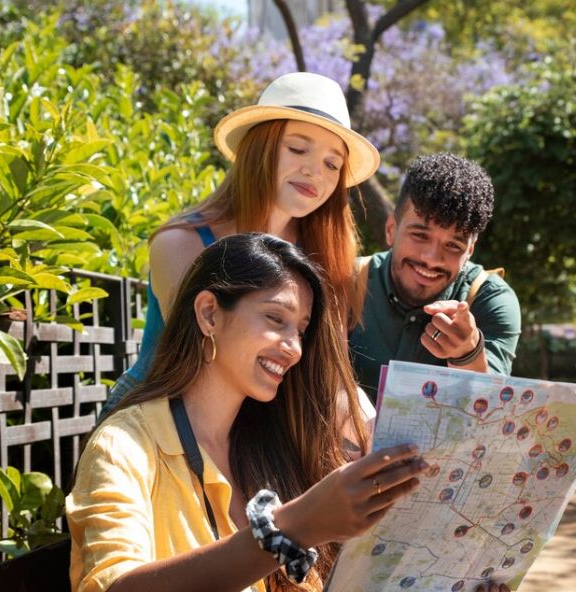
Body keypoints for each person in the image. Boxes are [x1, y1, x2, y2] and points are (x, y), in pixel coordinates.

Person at [67, 234, 425, 592]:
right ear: (209, 313)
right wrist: (290, 529)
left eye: (300, 330)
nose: (294, 348)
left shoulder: (274, 449)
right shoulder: (122, 446)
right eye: (275, 318)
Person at [101, 72, 380, 417]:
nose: (315, 172)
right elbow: (209, 370)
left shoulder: (323, 261)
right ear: (258, 148)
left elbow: (331, 377)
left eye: (332, 164)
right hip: (154, 426)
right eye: (297, 148)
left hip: (254, 438)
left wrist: (369, 428)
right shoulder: (181, 244)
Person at [349, 153, 521, 400]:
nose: (431, 258)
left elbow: (491, 409)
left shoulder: (490, 300)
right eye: (420, 235)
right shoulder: (346, 282)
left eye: (453, 246)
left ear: (469, 252)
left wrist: (468, 354)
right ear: (391, 230)